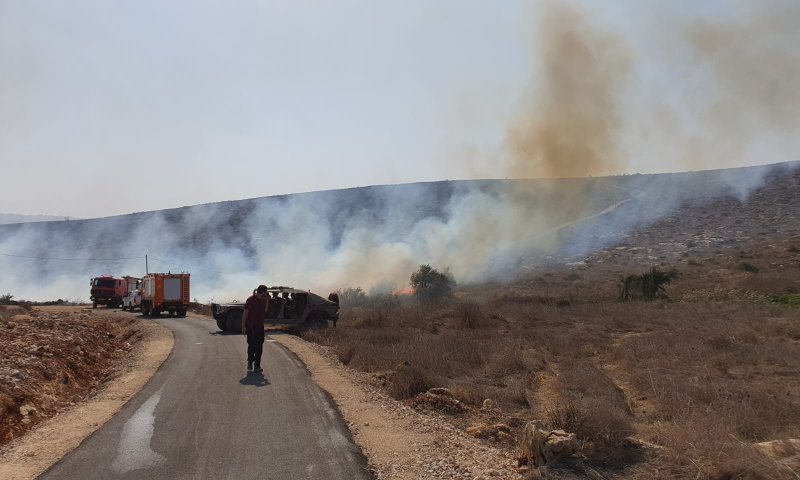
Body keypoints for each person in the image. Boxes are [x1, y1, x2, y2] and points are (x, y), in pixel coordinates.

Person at [242, 285, 268, 372]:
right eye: (265, 292)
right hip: (251, 326)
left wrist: (267, 301)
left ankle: (257, 365)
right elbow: (245, 314)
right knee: (252, 345)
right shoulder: (250, 300)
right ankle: (250, 361)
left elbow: (265, 311)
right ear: (263, 292)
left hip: (260, 326)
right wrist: (243, 326)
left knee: (259, 346)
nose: (266, 294)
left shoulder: (263, 301)